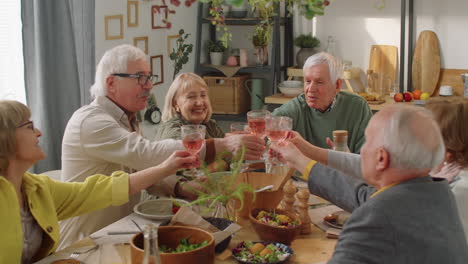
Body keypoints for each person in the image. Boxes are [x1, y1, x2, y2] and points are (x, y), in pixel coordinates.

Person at [60, 44, 264, 248]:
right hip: (83, 246)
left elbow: (142, 172)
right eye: (140, 78)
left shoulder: (126, 119)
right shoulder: (91, 121)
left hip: (117, 235)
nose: (149, 85)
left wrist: (179, 188)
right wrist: (223, 144)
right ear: (112, 83)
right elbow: (147, 154)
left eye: (149, 77)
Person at [0, 100, 196, 263]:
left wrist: (165, 168)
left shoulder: (36, 188)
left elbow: (100, 190)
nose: (39, 132)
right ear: (5, 139)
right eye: (29, 126)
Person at [270, 105, 468, 263]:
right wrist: (303, 158)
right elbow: (368, 196)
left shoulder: (375, 219)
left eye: (367, 142)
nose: (361, 151)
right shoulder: (438, 192)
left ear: (381, 158)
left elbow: (372, 207)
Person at [272, 52, 372, 153]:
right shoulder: (295, 109)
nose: (311, 89)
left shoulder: (358, 107)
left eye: (319, 82)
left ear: (337, 85)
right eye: (307, 81)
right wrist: (257, 142)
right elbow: (268, 127)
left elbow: (368, 159)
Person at [155, 72, 225, 140]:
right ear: (175, 104)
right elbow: (192, 148)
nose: (199, 103)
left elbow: (228, 149)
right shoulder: (171, 129)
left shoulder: (210, 125)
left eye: (203, 95)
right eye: (191, 97)